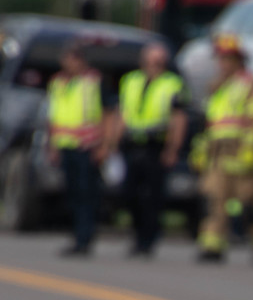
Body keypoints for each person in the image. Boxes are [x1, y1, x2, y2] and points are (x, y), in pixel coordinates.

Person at [196, 33, 253, 264]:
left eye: (227, 59)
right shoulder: (217, 88)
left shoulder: (250, 85)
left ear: (238, 61)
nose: (222, 64)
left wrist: (252, 150)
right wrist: (201, 151)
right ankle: (212, 246)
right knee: (216, 200)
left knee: (251, 203)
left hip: (243, 155)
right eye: (220, 59)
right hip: (219, 155)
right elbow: (212, 125)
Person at [117, 41, 188, 257]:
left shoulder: (173, 84)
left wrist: (172, 149)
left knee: (152, 196)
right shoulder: (131, 81)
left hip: (156, 144)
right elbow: (122, 112)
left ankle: (147, 240)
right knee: (128, 193)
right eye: (150, 61)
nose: (153, 66)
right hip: (132, 143)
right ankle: (138, 234)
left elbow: (179, 118)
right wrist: (112, 141)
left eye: (158, 62)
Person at [47, 42, 111, 258]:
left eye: (72, 59)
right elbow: (53, 117)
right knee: (72, 194)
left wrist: (104, 145)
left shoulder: (93, 82)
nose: (68, 64)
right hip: (66, 145)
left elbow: (107, 114)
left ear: (81, 61)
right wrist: (53, 145)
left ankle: (85, 238)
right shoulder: (58, 83)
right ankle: (76, 236)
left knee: (86, 194)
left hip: (87, 147)